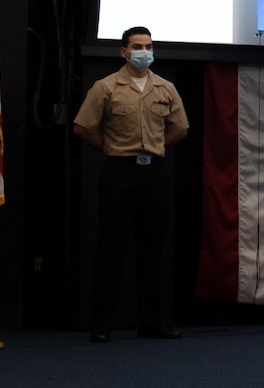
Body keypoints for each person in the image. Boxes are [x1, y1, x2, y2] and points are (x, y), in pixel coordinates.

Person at [73, 26, 189, 342]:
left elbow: (180, 129)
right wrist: (110, 148)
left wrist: (155, 145)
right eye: (137, 46)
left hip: (154, 174)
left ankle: (151, 324)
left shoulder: (166, 88)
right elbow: (83, 127)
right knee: (111, 249)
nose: (144, 51)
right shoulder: (106, 87)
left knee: (152, 252)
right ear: (124, 52)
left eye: (149, 46)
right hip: (119, 174)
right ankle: (101, 325)